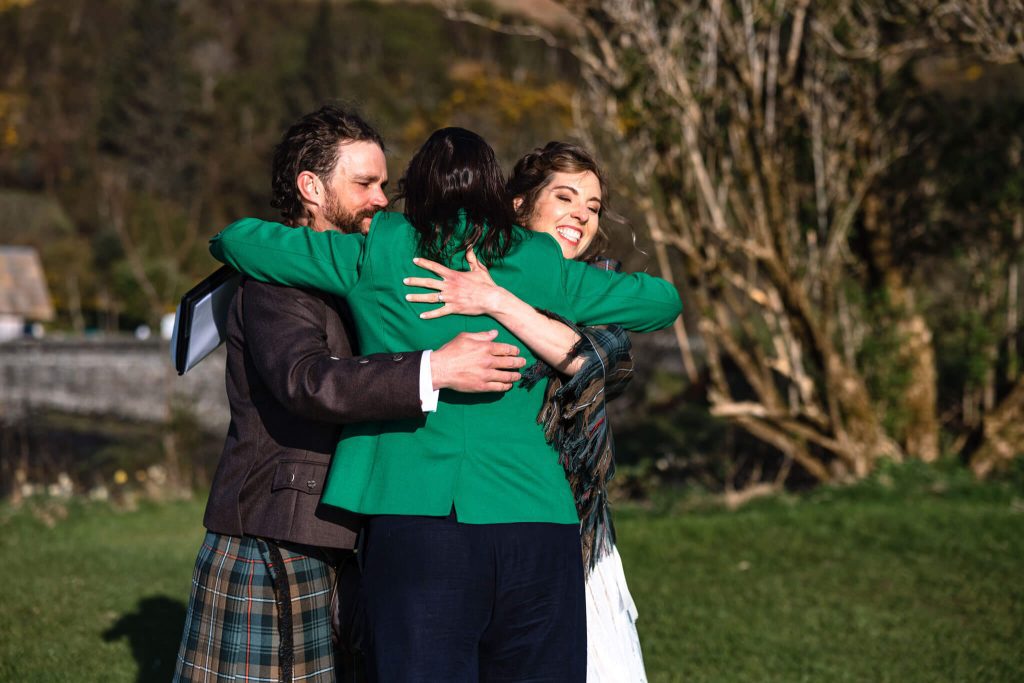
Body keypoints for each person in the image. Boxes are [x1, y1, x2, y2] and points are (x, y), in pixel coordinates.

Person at [208, 126, 682, 682]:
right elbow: (662, 301)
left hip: (417, 518)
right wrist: (507, 298)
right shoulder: (539, 260)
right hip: (539, 520)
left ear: (418, 191)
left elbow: (236, 241)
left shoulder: (379, 248)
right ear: (494, 192)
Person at [173, 109, 527, 683]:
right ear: (310, 188)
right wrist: (432, 368)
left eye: (385, 184)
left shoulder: (365, 269)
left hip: (340, 528)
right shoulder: (275, 278)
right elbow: (306, 382)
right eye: (364, 184)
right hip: (278, 532)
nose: (381, 199)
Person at [402, 141, 649, 681]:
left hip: (576, 524)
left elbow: (596, 363)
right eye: (565, 197)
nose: (582, 213)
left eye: (593, 205)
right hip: (475, 518)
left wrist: (496, 300)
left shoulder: (597, 284)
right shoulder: (462, 271)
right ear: (517, 207)